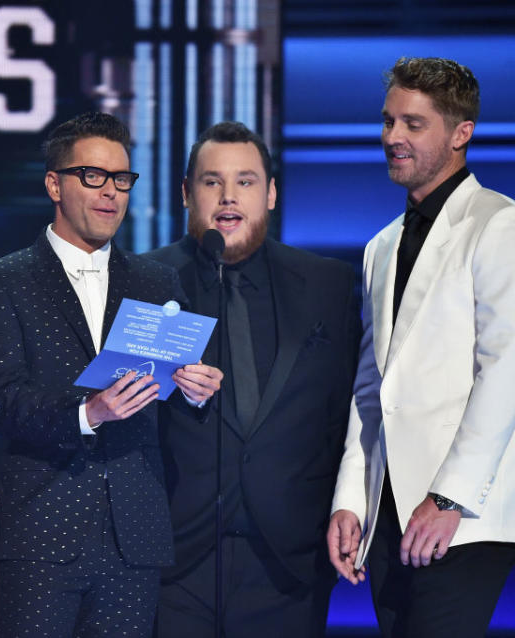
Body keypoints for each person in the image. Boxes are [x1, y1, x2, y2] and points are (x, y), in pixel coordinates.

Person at [0, 112, 221, 637]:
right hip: (42, 534)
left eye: (122, 179)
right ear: (54, 184)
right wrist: (88, 412)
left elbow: (170, 391)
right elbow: (3, 401)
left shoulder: (157, 281)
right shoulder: (3, 281)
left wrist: (197, 391)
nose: (111, 193)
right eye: (94, 176)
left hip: (134, 538)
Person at [327, 57, 515, 638]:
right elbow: (371, 387)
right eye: (388, 122)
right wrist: (350, 498)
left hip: (465, 511)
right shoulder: (381, 246)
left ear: (460, 133)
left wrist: (448, 499)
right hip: (391, 507)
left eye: (413, 124)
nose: (392, 138)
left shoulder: (504, 226)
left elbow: (508, 370)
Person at [145, 121, 361, 637]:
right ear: (186, 193)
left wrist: (349, 504)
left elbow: (347, 412)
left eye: (245, 181)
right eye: (211, 181)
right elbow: (116, 412)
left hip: (289, 559)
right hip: (175, 562)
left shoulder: (326, 284)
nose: (228, 196)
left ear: (270, 193)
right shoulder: (145, 281)